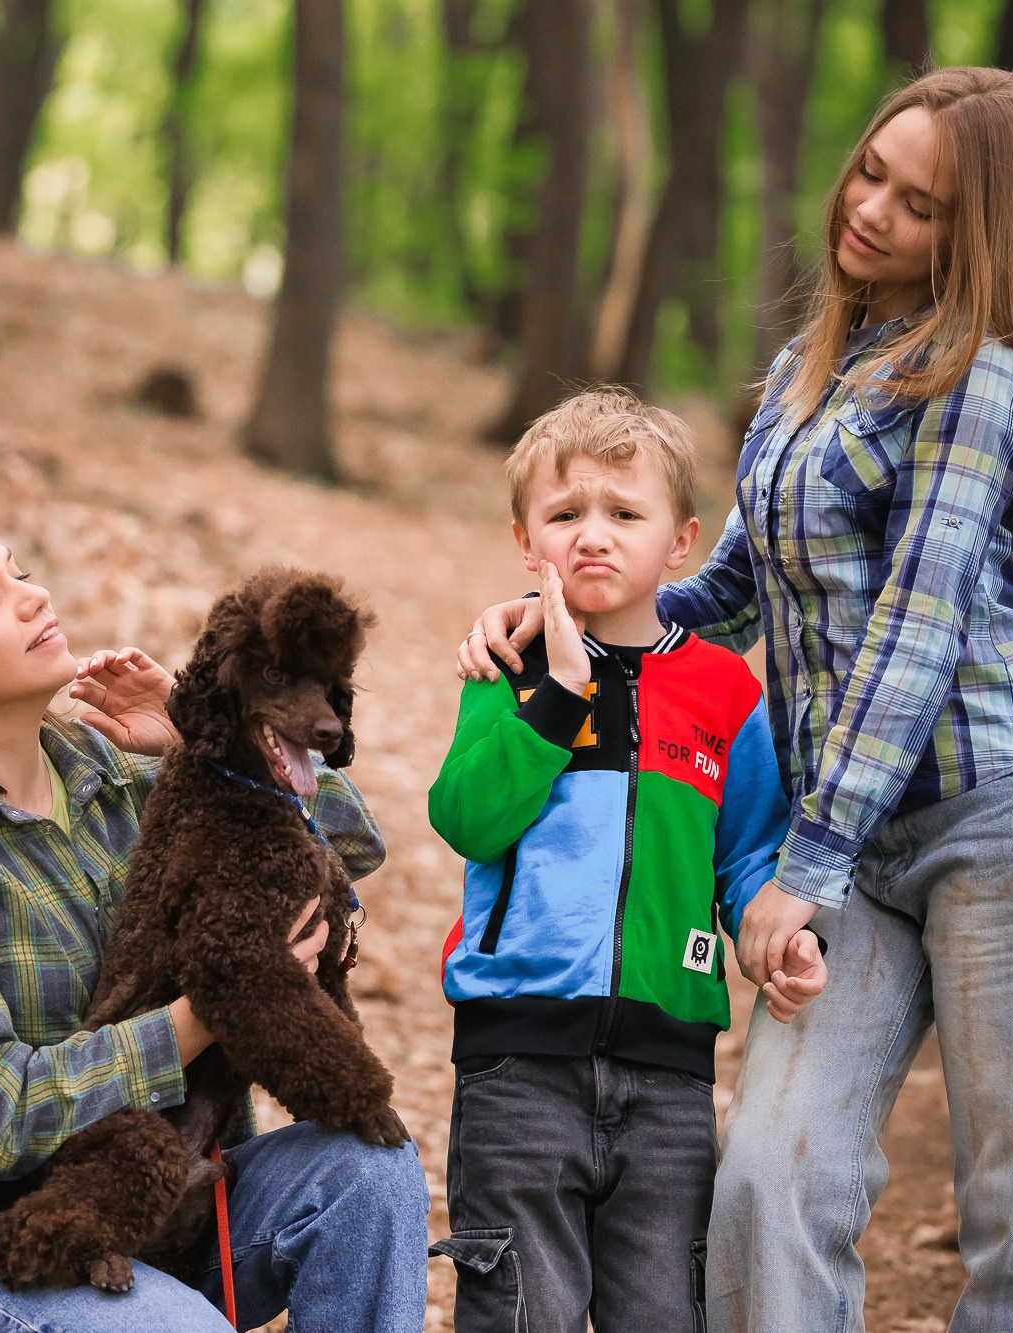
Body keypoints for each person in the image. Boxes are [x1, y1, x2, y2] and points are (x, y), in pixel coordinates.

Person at [459, 69, 1013, 1333]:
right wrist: (566, 622)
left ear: (978, 234)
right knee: (765, 1181)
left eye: (919, 204)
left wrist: (795, 870)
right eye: (870, 170)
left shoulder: (978, 377)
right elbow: (728, 588)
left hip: (1006, 822)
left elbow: (917, 631)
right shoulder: (806, 368)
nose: (869, 210)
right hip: (852, 846)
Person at [0, 501, 430, 1331]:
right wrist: (196, 1021)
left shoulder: (112, 769)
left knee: (372, 1170)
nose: (31, 596)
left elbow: (351, 843)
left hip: (178, 1191)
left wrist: (213, 732)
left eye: (18, 570)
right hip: (2, 1241)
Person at [429, 391, 829, 1332]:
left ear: (680, 541)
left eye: (624, 512)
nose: (593, 536)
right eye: (565, 515)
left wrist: (777, 937)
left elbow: (746, 858)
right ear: (527, 540)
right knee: (526, 1311)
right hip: (518, 1059)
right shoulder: (512, 662)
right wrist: (560, 697)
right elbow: (466, 818)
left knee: (662, 1311)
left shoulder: (727, 692)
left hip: (669, 1078)